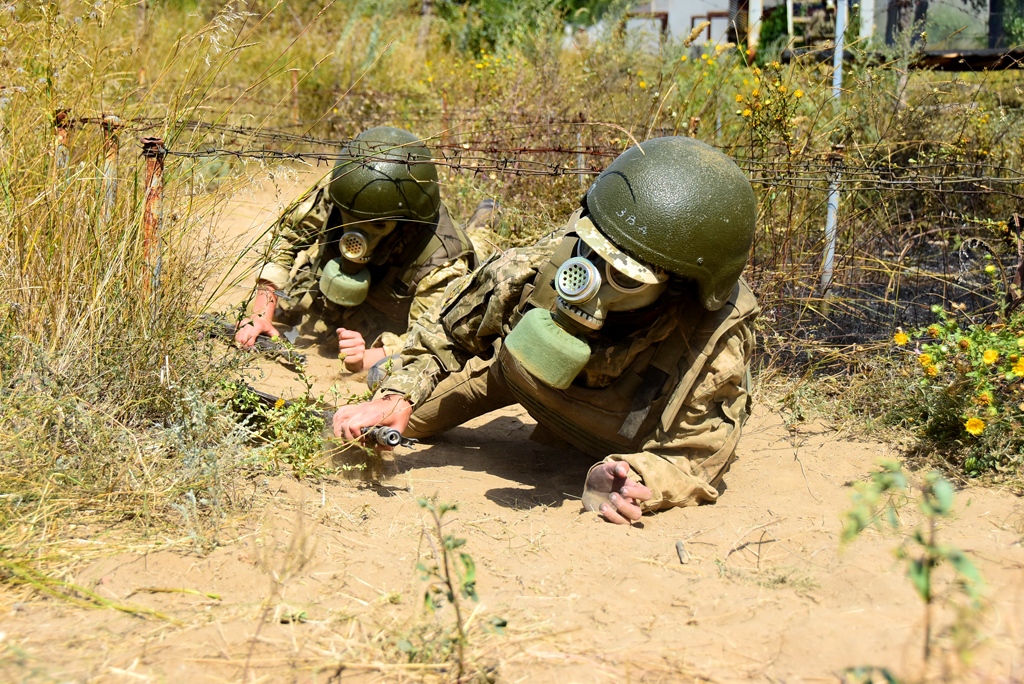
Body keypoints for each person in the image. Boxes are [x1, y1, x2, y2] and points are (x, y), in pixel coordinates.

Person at [331, 136, 759, 525]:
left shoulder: (713, 346)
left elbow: (693, 460)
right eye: (589, 249)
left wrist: (637, 478)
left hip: (616, 432)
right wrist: (396, 396)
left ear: (681, 287)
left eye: (626, 277)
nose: (588, 275)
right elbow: (447, 332)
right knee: (396, 422)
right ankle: (380, 365)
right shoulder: (538, 264)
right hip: (518, 374)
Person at [235, 126, 482, 373]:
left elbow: (432, 336)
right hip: (338, 308)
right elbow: (288, 237)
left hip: (386, 324)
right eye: (349, 218)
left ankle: (486, 215)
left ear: (406, 222)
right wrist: (261, 313)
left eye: (376, 225)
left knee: (481, 235)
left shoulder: (441, 263)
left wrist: (369, 356)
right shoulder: (345, 191)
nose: (355, 235)